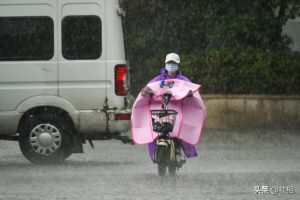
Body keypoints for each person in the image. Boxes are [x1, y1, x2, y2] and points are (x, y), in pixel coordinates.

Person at [142, 53, 198, 163]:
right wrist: (147, 91)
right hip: (161, 112)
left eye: (174, 63)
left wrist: (190, 93)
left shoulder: (183, 80)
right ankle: (155, 154)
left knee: (182, 130)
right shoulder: (158, 80)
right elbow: (148, 87)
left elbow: (191, 89)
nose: (171, 66)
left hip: (177, 113)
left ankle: (179, 151)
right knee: (153, 132)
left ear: (178, 65)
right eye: (169, 63)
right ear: (165, 64)